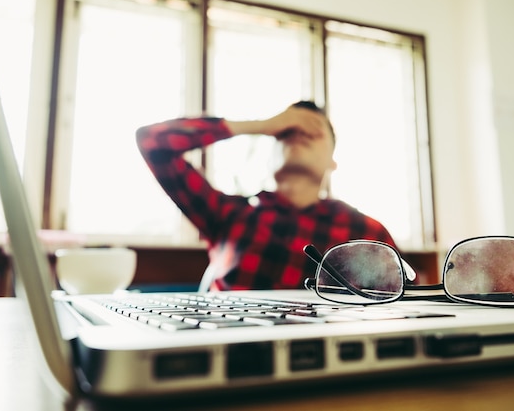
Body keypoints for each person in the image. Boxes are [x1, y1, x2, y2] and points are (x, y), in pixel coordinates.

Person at [136, 101, 397, 291]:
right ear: (271, 154)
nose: (299, 134)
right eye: (287, 131)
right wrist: (262, 125)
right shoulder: (229, 213)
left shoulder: (367, 233)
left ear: (332, 162)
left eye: (313, 130)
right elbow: (151, 141)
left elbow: (404, 305)